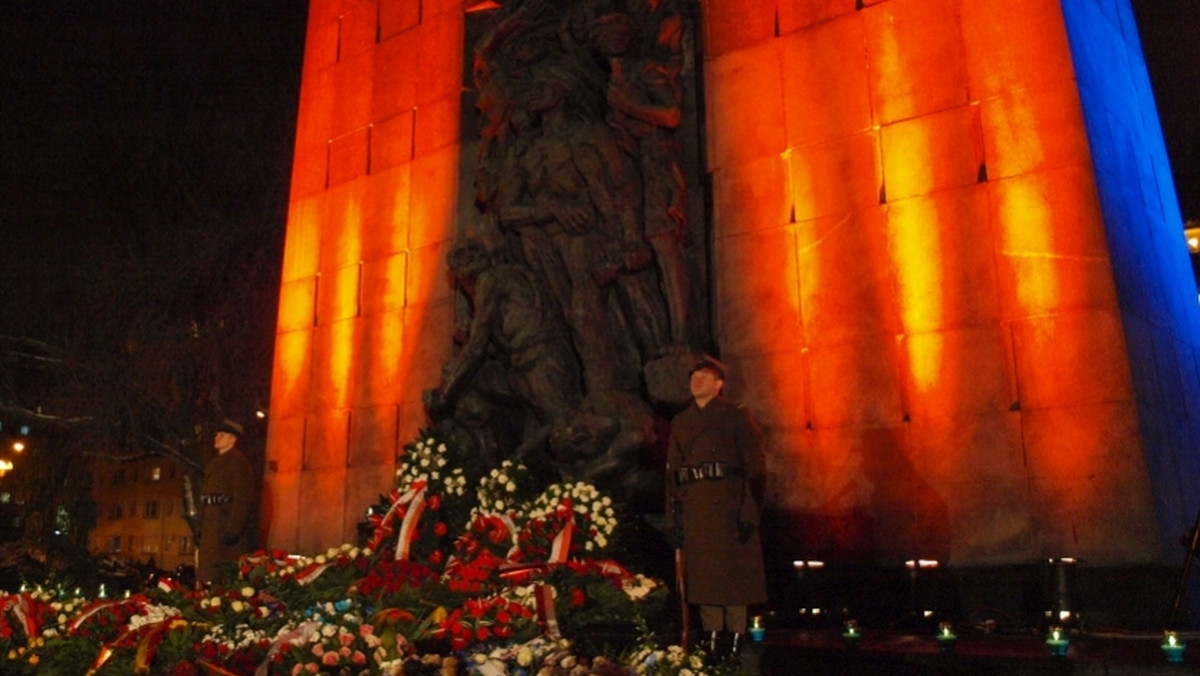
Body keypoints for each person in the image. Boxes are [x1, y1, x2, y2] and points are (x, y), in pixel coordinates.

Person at [665, 356, 767, 660]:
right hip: (696, 509)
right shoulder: (681, 422)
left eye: (705, 375)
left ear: (719, 384)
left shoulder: (734, 416)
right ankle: (711, 635)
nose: (697, 379)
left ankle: (736, 635)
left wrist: (749, 512)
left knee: (734, 578)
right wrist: (674, 520)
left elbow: (756, 469)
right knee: (704, 579)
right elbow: (673, 475)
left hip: (729, 507)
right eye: (694, 375)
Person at [197, 419, 256, 586]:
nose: (216, 438)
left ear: (233, 439)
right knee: (209, 575)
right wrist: (199, 525)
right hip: (211, 523)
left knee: (224, 574)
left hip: (224, 526)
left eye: (222, 435)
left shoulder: (238, 463)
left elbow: (242, 498)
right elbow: (205, 496)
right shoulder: (215, 462)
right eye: (217, 434)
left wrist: (233, 528)